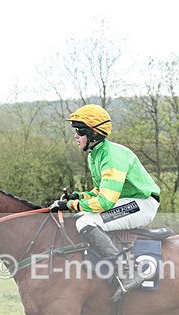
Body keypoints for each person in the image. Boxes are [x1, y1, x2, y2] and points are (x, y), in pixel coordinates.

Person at [50, 104, 161, 301]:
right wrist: (80, 197)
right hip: (127, 200)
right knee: (81, 217)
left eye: (79, 131)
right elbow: (100, 191)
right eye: (75, 131)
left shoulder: (110, 156)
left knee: (85, 222)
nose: (76, 136)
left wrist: (70, 205)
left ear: (94, 133)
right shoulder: (96, 153)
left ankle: (127, 272)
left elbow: (106, 202)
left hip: (142, 203)